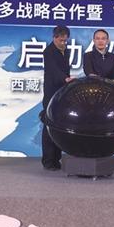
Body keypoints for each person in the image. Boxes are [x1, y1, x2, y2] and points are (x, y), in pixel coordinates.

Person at [41, 25, 73, 170]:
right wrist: (65, 78)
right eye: (61, 40)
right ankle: (48, 160)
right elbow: (54, 70)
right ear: (54, 37)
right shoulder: (48, 52)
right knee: (49, 125)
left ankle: (56, 158)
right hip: (51, 92)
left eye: (65, 41)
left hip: (62, 92)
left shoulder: (66, 50)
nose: (63, 43)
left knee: (60, 126)